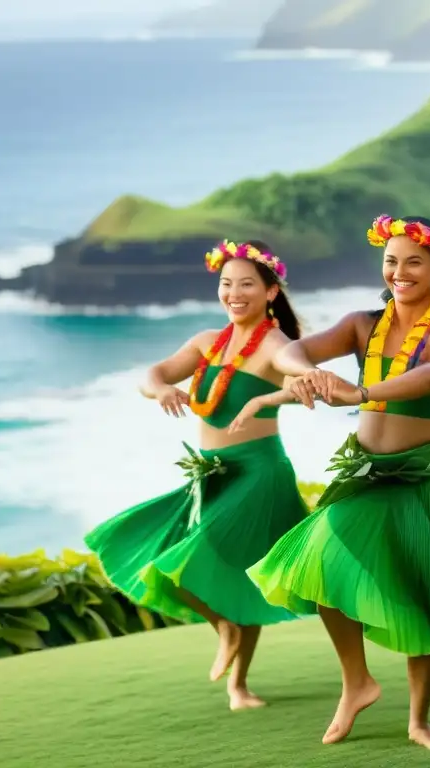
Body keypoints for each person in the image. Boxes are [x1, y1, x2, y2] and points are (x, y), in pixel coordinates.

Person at [240, 215, 430, 750]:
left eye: (414, 261)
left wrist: (365, 392)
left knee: (424, 591)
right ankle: (358, 682)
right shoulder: (361, 324)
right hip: (367, 473)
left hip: (429, 474)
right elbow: (287, 350)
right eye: (391, 261)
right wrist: (303, 371)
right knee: (320, 558)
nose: (400, 271)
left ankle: (420, 720)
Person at [84, 240, 311, 711]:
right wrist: (162, 387)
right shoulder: (209, 343)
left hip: (258, 473)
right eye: (227, 284)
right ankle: (229, 642)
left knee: (229, 571)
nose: (234, 292)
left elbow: (296, 369)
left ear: (270, 292)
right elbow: (153, 373)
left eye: (247, 284)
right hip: (210, 475)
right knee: (180, 563)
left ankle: (238, 683)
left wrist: (300, 379)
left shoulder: (275, 343)